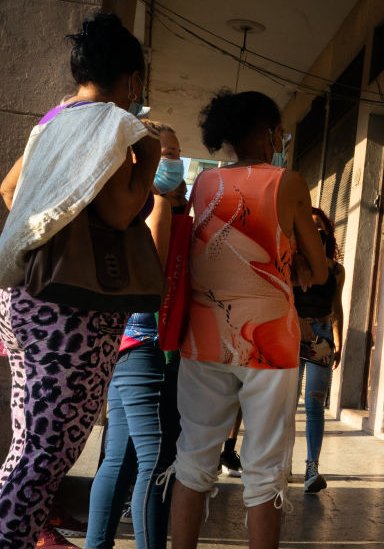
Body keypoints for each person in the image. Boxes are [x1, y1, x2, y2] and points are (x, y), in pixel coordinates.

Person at [0, 12, 159, 547]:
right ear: (132, 79)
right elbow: (119, 213)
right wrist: (151, 156)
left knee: (27, 445)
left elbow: (7, 190)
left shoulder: (50, 120)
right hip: (71, 310)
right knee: (48, 454)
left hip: (22, 295)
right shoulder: (111, 123)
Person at [167, 89, 328, 549]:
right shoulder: (288, 182)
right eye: (280, 131)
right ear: (267, 132)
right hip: (270, 342)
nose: (282, 139)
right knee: (265, 467)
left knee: (194, 458)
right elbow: (317, 270)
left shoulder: (203, 185)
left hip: (204, 338)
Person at [85, 120, 185, 549]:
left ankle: (97, 543)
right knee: (156, 459)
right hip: (148, 342)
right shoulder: (155, 204)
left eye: (177, 155)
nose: (175, 164)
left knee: (119, 460)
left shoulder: (117, 202)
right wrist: (166, 202)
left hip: (123, 340)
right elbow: (156, 278)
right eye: (167, 155)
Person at [295, 208, 344, 494]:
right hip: (293, 335)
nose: (315, 232)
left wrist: (338, 342)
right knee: (286, 404)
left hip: (322, 339)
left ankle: (312, 468)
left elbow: (336, 308)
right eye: (309, 226)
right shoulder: (292, 261)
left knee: (314, 404)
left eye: (320, 227)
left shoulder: (336, 270)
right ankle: (280, 466)